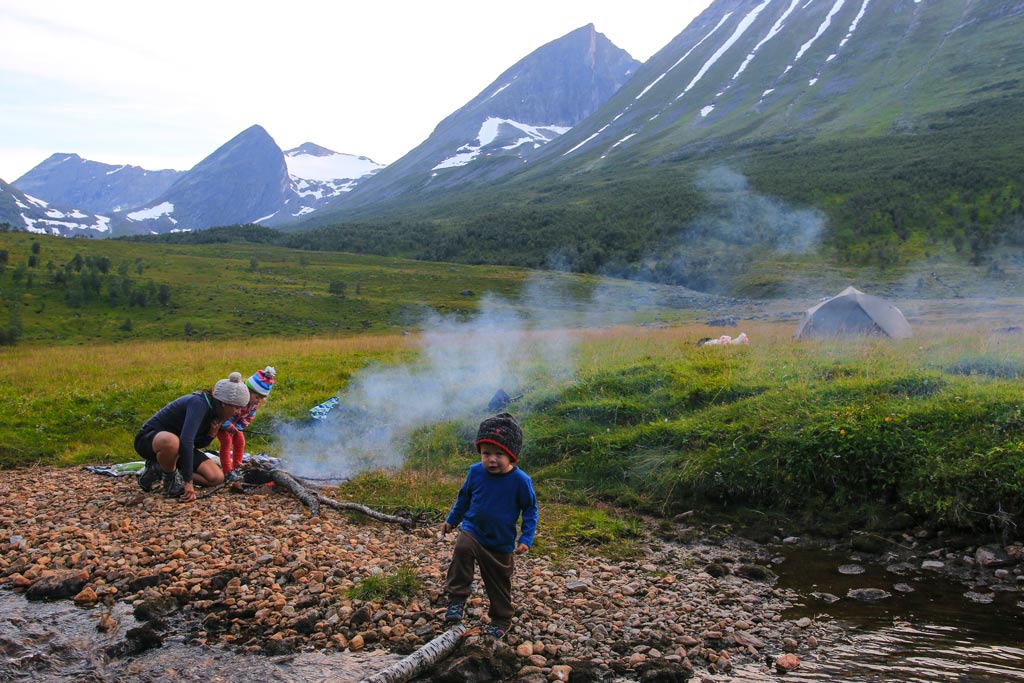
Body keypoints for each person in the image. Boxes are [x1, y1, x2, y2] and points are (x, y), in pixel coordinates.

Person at [440, 412, 538, 639]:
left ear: (512, 456)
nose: (491, 460)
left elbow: (530, 510)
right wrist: (452, 520)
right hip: (473, 530)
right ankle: (456, 599)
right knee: (462, 549)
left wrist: (525, 538)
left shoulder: (521, 481)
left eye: (498, 454)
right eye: (486, 454)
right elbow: (463, 498)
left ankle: (501, 617)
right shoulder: (476, 472)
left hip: (501, 541)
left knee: (498, 581)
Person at [134, 372, 250, 503]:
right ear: (224, 403)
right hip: (150, 441)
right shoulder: (198, 404)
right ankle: (170, 479)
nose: (238, 412)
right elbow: (186, 441)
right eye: (237, 408)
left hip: (178, 449)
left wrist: (211, 434)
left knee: (216, 478)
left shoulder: (217, 413)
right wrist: (188, 482)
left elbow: (197, 444)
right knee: (172, 442)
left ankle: (161, 468)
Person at [217, 366, 275, 480]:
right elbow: (221, 415)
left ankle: (237, 466)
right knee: (227, 442)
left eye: (261, 398)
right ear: (247, 391)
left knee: (240, 441)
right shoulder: (236, 400)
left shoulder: (253, 406)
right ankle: (227, 470)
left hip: (234, 427)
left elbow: (248, 418)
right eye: (256, 397)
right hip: (221, 425)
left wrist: (238, 427)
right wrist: (228, 426)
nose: (258, 400)